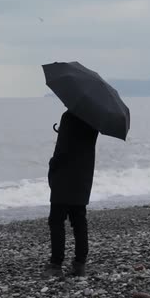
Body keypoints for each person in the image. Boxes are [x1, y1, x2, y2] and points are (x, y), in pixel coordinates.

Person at [45, 110, 98, 277]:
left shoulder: (68, 116)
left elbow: (62, 150)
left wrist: (52, 164)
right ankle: (79, 264)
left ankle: (56, 265)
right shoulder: (94, 118)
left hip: (64, 176)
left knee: (56, 220)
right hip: (83, 176)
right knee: (79, 221)